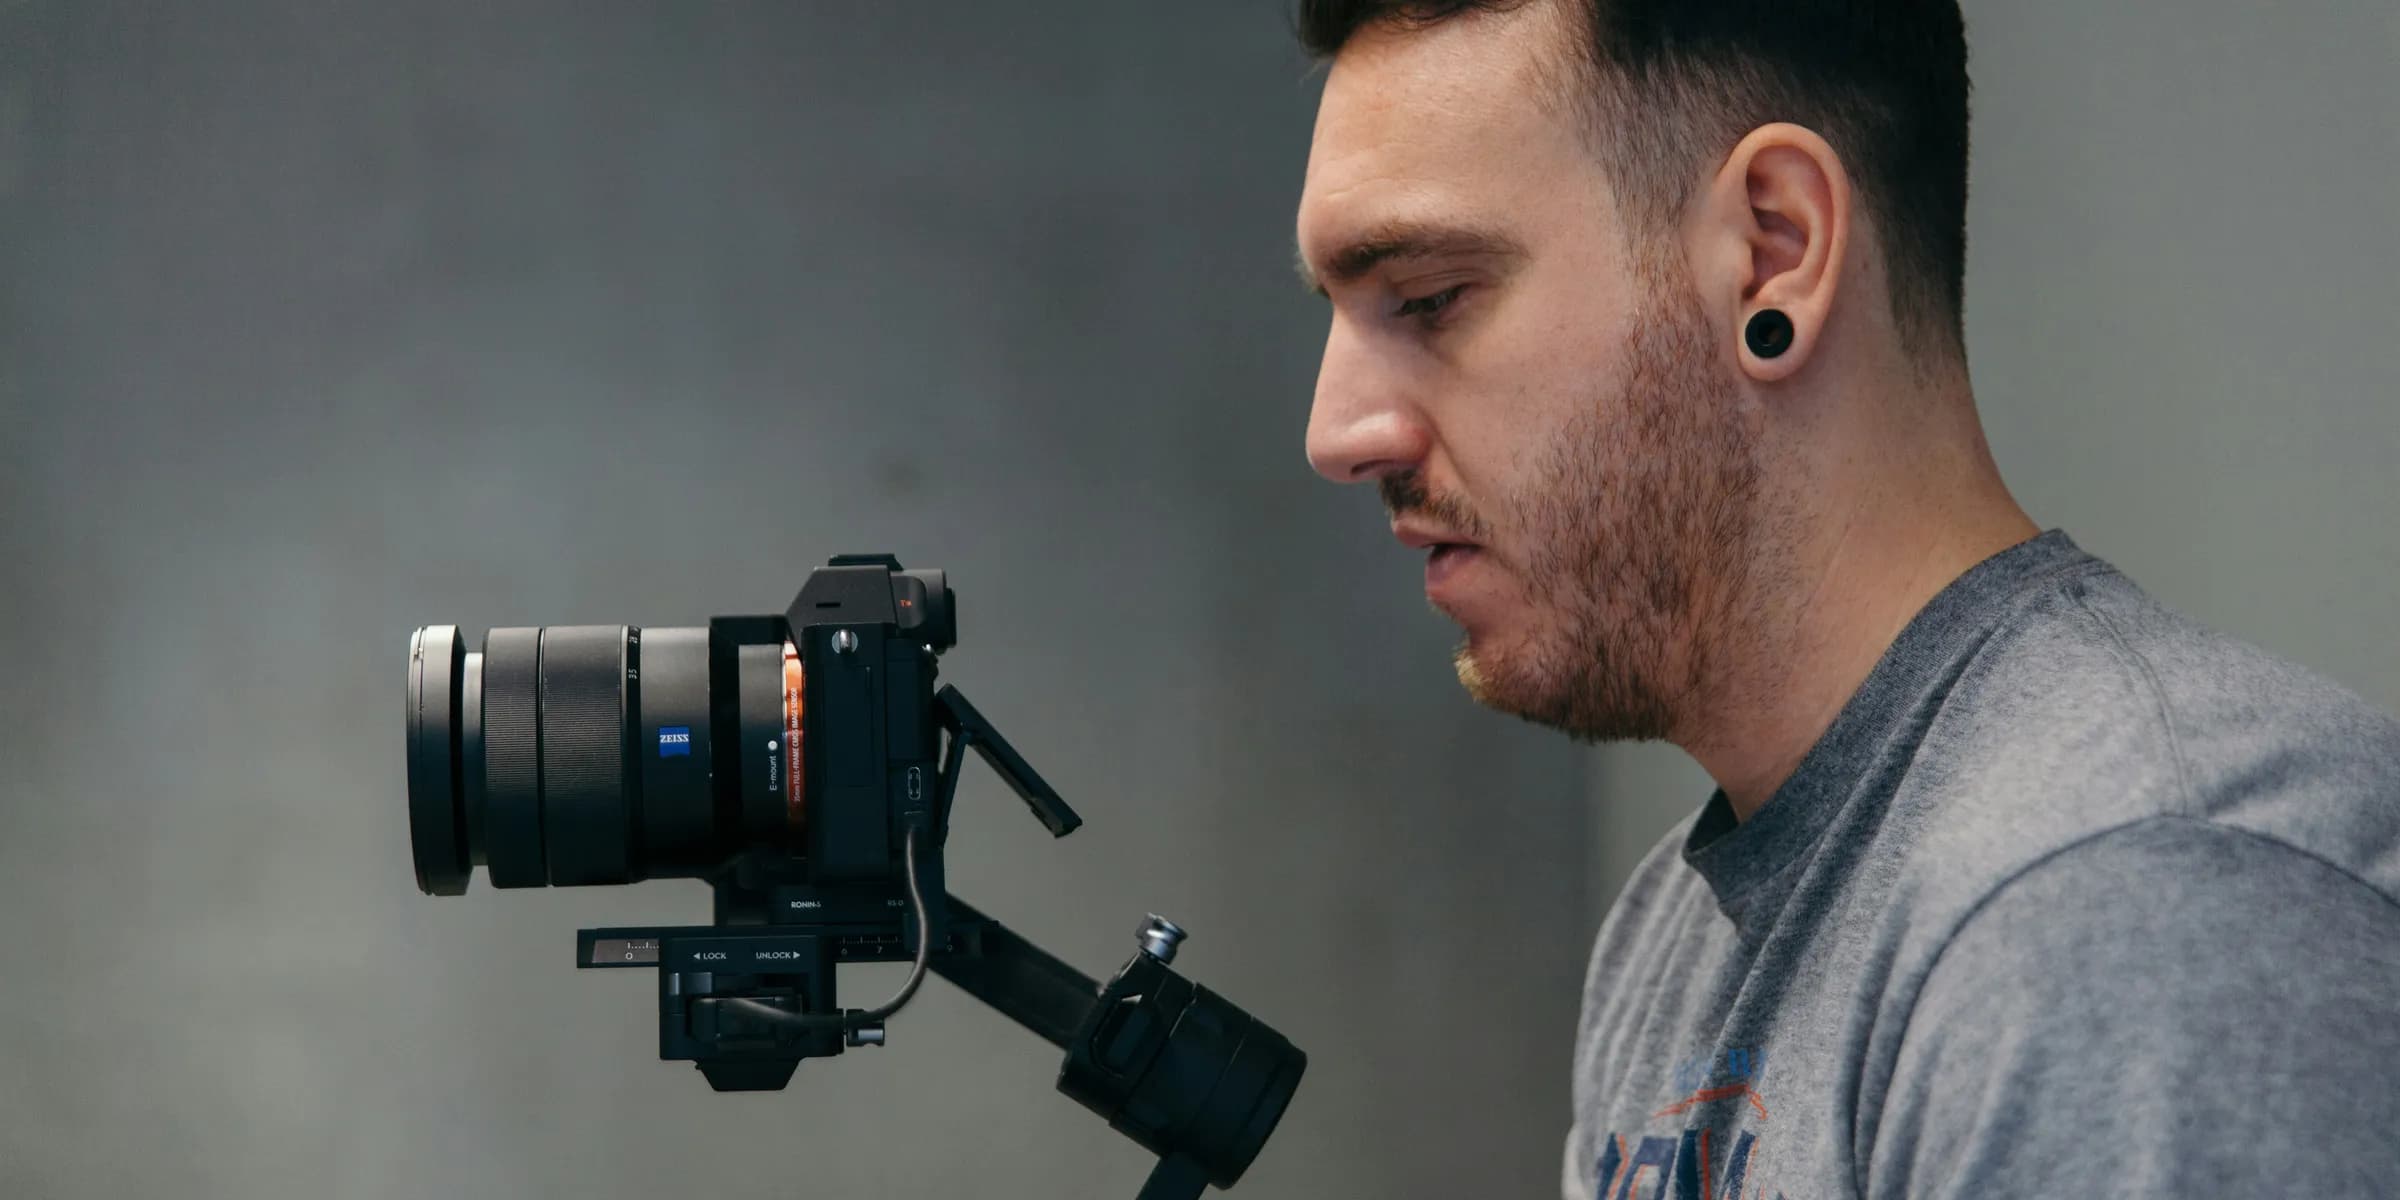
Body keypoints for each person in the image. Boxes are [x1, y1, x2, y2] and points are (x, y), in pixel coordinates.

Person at [1288, 2, 2400, 1196]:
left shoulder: (2140, 908)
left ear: (1772, 248)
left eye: (1433, 295)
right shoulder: (1669, 936)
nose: (1337, 432)